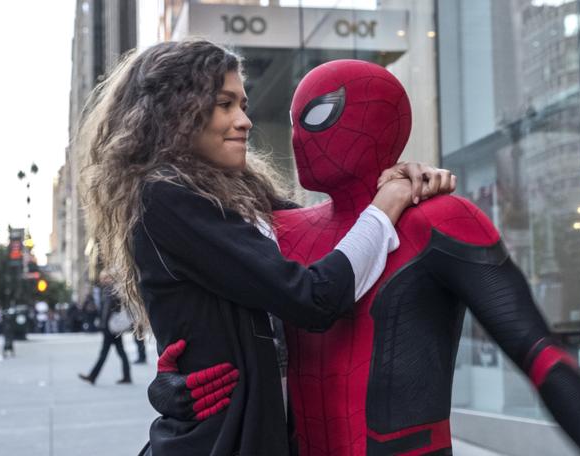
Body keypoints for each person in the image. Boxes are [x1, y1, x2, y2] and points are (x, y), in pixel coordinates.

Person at [151, 60, 580, 456]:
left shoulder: (438, 220)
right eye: (294, 122)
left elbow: (538, 352)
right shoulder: (276, 228)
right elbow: (206, 306)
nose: (297, 138)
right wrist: (177, 383)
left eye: (316, 115)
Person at [77, 40, 454, 456]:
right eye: (225, 104)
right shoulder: (166, 198)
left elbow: (333, 237)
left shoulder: (238, 191)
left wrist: (404, 179)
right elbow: (312, 296)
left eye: (243, 104)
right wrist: (388, 203)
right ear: (176, 112)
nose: (245, 120)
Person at [78, 270, 131, 385]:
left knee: (105, 353)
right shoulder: (114, 289)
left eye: (105, 278)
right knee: (121, 352)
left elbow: (107, 310)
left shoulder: (109, 290)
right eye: (102, 278)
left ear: (110, 278)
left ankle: (93, 376)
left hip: (109, 327)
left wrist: (103, 325)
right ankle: (127, 376)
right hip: (114, 327)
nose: (102, 280)